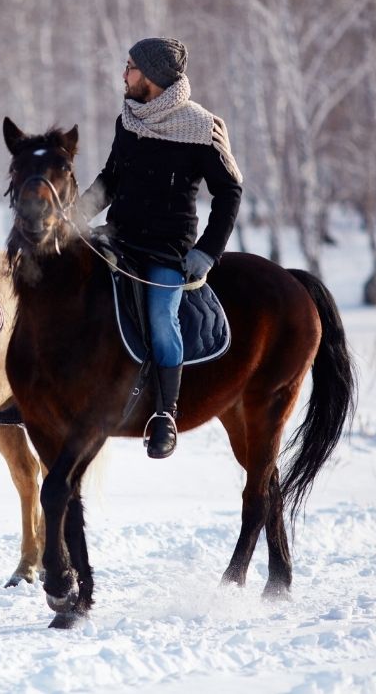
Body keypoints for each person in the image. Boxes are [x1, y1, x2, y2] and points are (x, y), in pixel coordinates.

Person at [83, 37, 243, 458]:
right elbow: (110, 178)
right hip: (117, 239)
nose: (124, 74)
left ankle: (164, 415)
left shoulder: (203, 127)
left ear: (152, 77)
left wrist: (207, 252)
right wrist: (73, 216)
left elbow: (229, 192)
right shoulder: (129, 119)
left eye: (131, 67)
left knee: (160, 319)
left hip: (168, 252)